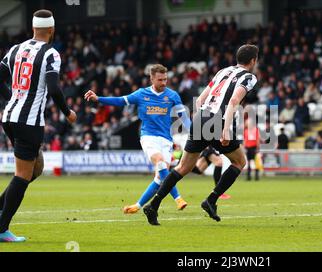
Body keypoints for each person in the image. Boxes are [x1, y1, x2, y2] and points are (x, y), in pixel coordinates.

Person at [143, 44, 259, 225]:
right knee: (239, 162)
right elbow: (235, 100)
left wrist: (200, 121)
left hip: (202, 116)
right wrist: (225, 128)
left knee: (182, 168)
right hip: (218, 120)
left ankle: (153, 206)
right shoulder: (250, 77)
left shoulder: (223, 71)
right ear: (253, 61)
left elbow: (203, 97)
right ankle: (211, 200)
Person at [0, 9, 77, 242]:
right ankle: (2, 228)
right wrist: (68, 112)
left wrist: (11, 97)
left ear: (33, 28)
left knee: (36, 168)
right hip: (29, 121)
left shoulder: (15, 49)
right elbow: (53, 88)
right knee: (23, 175)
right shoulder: (51, 53)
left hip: (10, 118)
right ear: (52, 29)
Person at [84, 64, 190, 214]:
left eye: (165, 79)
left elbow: (184, 118)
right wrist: (98, 98)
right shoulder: (141, 94)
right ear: (152, 78)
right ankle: (178, 198)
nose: (164, 83)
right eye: (160, 80)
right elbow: (120, 100)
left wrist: (194, 134)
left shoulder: (173, 95)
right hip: (149, 137)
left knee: (160, 178)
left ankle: (138, 206)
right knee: (160, 163)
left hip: (166, 140)